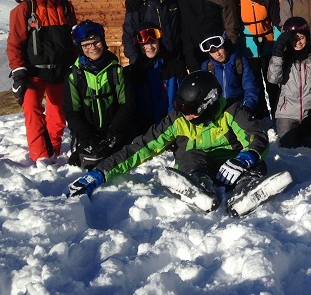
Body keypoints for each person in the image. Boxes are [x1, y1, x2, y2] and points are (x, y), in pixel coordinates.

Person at [66, 71, 292, 217]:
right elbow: (140, 148)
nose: (185, 115)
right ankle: (198, 187)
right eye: (180, 107)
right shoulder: (177, 120)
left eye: (190, 110)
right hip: (198, 164)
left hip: (232, 164)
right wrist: (98, 173)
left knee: (255, 164)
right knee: (189, 156)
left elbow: (257, 137)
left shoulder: (232, 111)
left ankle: (247, 190)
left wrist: (246, 158)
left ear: (209, 104)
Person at [7, 0, 77, 164]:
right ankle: (41, 155)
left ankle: (53, 150)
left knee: (57, 113)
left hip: (60, 70)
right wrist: (18, 71)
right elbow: (14, 43)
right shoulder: (24, 10)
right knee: (32, 110)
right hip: (33, 72)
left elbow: (72, 40)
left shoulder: (65, 7)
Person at [64, 21, 135, 170]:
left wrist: (114, 132)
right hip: (88, 136)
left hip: (115, 134)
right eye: (86, 45)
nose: (93, 48)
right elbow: (72, 111)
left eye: (96, 42)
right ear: (80, 47)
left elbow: (127, 104)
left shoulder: (116, 71)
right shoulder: (74, 76)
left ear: (102, 41)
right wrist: (87, 138)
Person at [267, 17, 311, 148]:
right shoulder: (284, 58)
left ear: (307, 37)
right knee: (288, 144)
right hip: (287, 112)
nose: (298, 42)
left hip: (310, 111)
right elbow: (273, 78)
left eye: (301, 38)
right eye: (294, 39)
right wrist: (277, 52)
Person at [234, 0, 280, 119]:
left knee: (272, 83)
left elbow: (277, 21)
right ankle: (261, 116)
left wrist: (278, 45)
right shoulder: (236, 0)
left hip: (267, 46)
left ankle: (277, 113)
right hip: (248, 48)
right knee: (255, 84)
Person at [125, 23, 187, 133]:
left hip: (173, 126)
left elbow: (184, 98)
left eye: (153, 42)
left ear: (159, 42)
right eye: (144, 44)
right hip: (144, 130)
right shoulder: (132, 73)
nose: (150, 47)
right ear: (138, 46)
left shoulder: (175, 67)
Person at [122, 0, 181, 65]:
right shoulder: (139, 1)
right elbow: (129, 34)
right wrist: (135, 61)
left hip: (173, 61)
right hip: (147, 62)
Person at [200, 33, 259, 114]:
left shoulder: (239, 62)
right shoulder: (207, 67)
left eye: (219, 48)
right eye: (213, 52)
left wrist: (247, 107)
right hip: (217, 114)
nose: (218, 54)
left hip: (237, 110)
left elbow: (251, 88)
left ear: (225, 46)